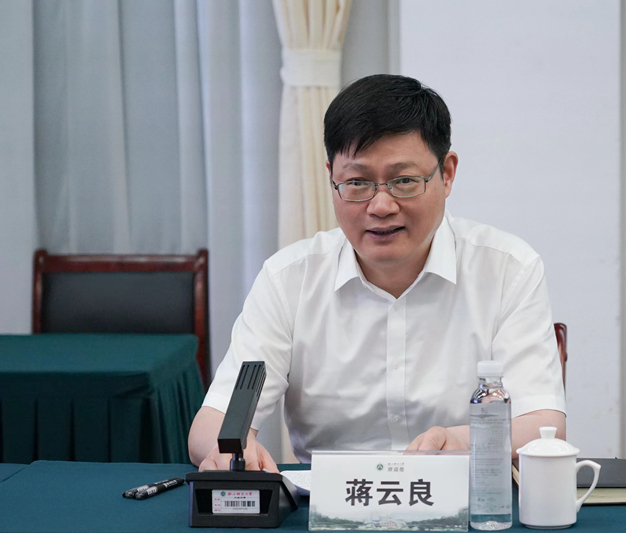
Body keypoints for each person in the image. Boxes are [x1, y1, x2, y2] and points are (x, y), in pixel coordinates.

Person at [188, 74, 566, 472]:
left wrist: (459, 440)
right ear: (332, 178)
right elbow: (212, 424)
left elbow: (543, 423)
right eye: (357, 182)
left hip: (467, 496)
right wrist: (233, 448)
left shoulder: (508, 269)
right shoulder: (289, 280)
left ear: (447, 174)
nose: (381, 206)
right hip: (328, 501)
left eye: (404, 181)